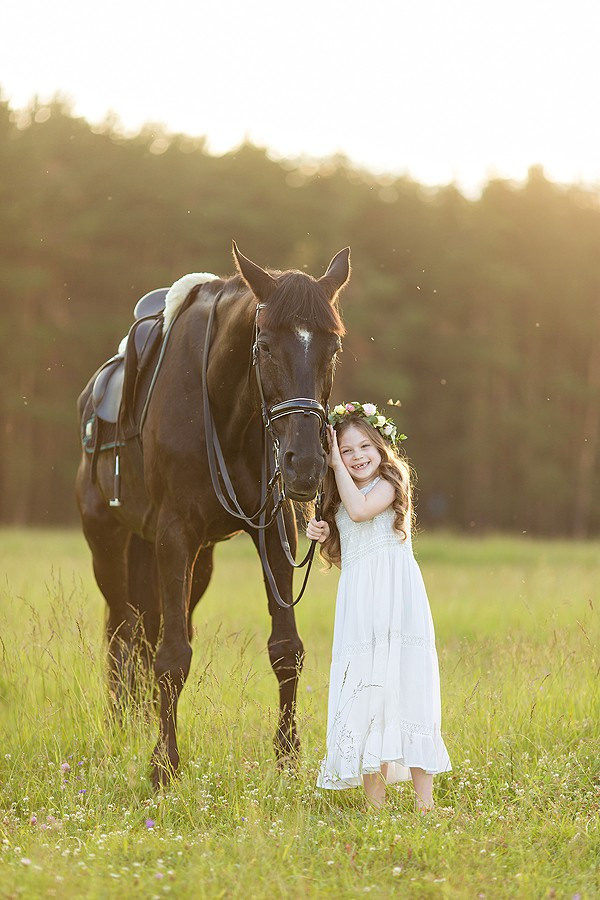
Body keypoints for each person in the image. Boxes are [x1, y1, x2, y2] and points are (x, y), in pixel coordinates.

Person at [306, 402, 451, 812]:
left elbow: (361, 510)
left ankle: (425, 804)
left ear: (381, 445)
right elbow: (342, 544)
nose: (356, 457)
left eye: (364, 446)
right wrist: (318, 529)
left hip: (397, 598)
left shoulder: (391, 479)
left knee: (407, 687)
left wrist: (333, 466)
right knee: (366, 689)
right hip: (360, 601)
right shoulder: (339, 496)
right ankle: (376, 805)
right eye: (346, 451)